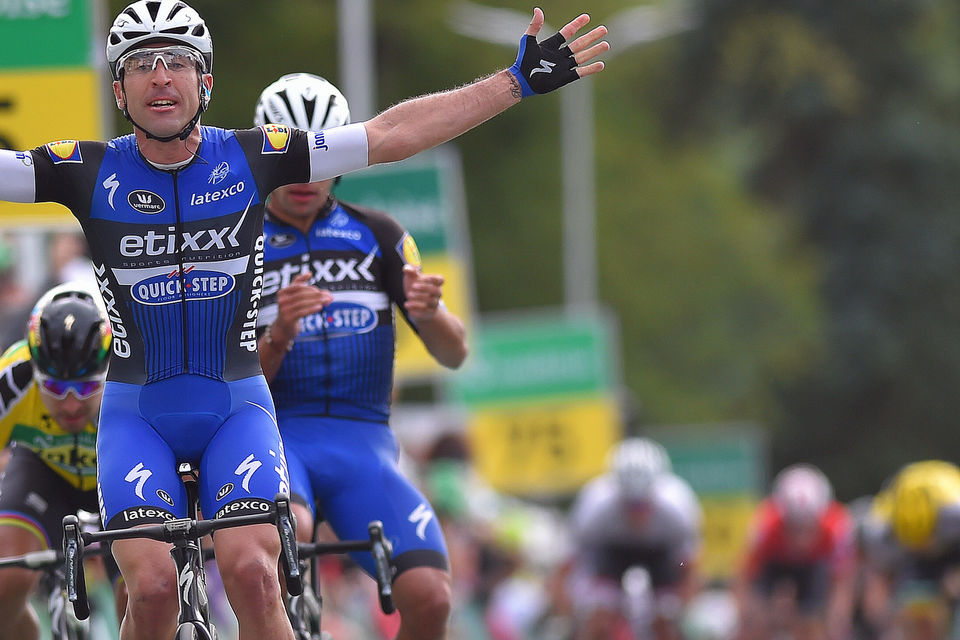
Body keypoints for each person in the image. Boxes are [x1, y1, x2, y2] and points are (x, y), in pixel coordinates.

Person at [0, 1, 607, 638]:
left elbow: (388, 135)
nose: (160, 76)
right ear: (118, 90)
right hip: (137, 415)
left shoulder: (255, 156)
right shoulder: (87, 169)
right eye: (140, 64)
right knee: (150, 592)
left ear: (206, 81)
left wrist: (515, 82)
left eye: (176, 60)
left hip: (235, 410)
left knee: (256, 575)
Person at [251, 72, 468, 640]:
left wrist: (429, 314)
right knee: (286, 535)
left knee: (432, 598)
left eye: (320, 158)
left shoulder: (379, 234)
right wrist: (280, 334)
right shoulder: (237, 245)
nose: (307, 177)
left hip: (363, 442)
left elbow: (454, 354)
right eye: (292, 159)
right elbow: (226, 380)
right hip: (274, 434)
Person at [0, 283, 112, 640]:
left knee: (144, 591)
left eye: (86, 388)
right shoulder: (13, 377)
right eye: (55, 388)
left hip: (116, 475)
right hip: (43, 471)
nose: (71, 404)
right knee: (5, 582)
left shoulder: (129, 372)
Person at [562, 437, 703, 640]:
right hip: (610, 552)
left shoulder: (678, 508)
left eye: (642, 506)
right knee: (599, 616)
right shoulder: (594, 507)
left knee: (666, 619)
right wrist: (576, 609)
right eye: (629, 505)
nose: (636, 513)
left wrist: (680, 607)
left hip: (660, 554)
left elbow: (689, 567)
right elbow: (572, 562)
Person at [734, 463, 856, 640]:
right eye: (795, 529)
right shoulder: (765, 525)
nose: (801, 540)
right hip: (774, 563)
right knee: (757, 619)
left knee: (814, 622)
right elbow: (743, 577)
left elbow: (842, 583)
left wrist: (837, 623)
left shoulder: (837, 527)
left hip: (814, 566)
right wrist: (745, 617)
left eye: (808, 529)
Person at [859, 460, 960, 640]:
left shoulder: (954, 514)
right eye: (917, 542)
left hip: (953, 547)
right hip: (908, 555)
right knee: (914, 602)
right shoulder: (880, 528)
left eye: (926, 540)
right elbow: (879, 578)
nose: (924, 547)